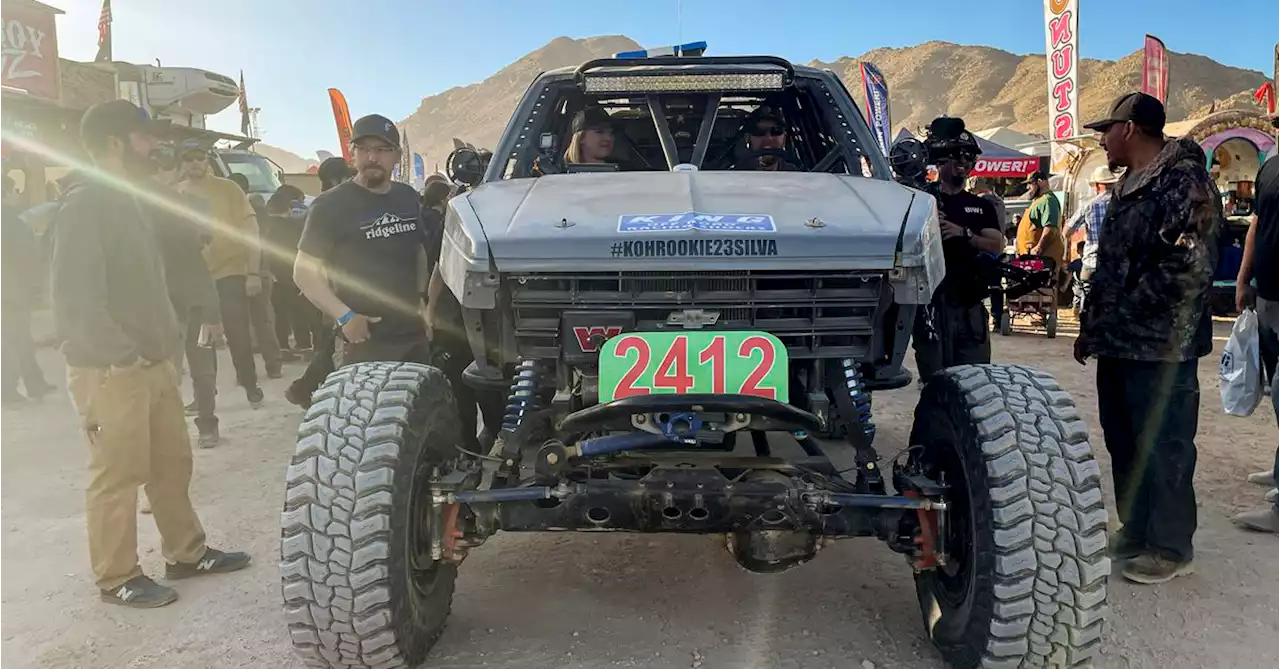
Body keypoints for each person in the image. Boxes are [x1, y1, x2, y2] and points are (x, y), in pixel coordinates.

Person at [48, 100, 250, 608]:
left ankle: (186, 553)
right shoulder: (85, 203)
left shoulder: (128, 198)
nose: (155, 146)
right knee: (117, 474)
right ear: (116, 142)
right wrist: (119, 354)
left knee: (169, 465)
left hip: (151, 361)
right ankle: (117, 577)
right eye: (144, 137)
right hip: (111, 367)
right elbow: (74, 297)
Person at [1075, 92, 1222, 585]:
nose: (1102, 139)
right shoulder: (1127, 185)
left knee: (1165, 445)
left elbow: (1189, 269)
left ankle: (1170, 545)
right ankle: (1136, 529)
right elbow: (1111, 266)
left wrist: (1127, 309)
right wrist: (1095, 322)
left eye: (1106, 130)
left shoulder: (1186, 183)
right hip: (1119, 342)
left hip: (1161, 346)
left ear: (1131, 129)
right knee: (1124, 442)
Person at [294, 114, 430, 367]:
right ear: (351, 152)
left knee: (417, 403)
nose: (372, 158)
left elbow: (418, 250)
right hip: (362, 339)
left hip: (413, 334)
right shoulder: (329, 205)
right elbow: (303, 273)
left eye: (382, 149)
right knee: (362, 407)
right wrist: (345, 317)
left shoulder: (408, 196)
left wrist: (422, 298)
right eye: (364, 149)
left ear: (397, 155)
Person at [177, 141, 277, 405]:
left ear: (207, 161)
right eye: (188, 159)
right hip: (196, 279)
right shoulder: (176, 194)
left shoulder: (228, 189)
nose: (194, 163)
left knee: (238, 334)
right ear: (181, 163)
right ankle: (204, 397)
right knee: (201, 342)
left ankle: (250, 385)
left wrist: (253, 272)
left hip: (231, 274)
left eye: (199, 158)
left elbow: (250, 231)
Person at [911, 117, 1006, 382]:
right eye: (957, 158)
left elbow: (996, 244)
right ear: (942, 162)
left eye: (968, 159)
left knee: (974, 383)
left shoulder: (983, 206)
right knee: (935, 384)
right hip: (932, 308)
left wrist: (963, 233)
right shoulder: (922, 200)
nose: (964, 164)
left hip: (969, 307)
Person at [1234, 151, 1280, 534]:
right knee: (1276, 391)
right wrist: (1243, 276)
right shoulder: (1271, 166)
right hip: (1269, 297)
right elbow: (1257, 224)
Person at [284, 158, 355, 407]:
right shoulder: (326, 208)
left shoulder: (330, 204)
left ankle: (304, 389)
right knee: (331, 344)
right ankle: (306, 390)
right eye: (346, 176)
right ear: (335, 180)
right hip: (326, 288)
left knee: (327, 343)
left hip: (327, 288)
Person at [0, 174, 54, 404]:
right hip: (12, 290)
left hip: (9, 289)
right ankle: (9, 390)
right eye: (14, 190)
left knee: (19, 338)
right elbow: (27, 253)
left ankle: (33, 382)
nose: (16, 195)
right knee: (13, 339)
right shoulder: (11, 220)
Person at [262, 185, 313, 353]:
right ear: (289, 207)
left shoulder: (264, 226)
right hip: (294, 274)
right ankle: (304, 344)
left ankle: (282, 346)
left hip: (275, 276)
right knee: (299, 311)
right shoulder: (296, 227)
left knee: (280, 313)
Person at [969, 177, 1009, 330]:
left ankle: (978, 317)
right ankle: (997, 318)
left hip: (982, 248)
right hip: (998, 248)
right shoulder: (1000, 202)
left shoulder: (979, 202)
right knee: (996, 285)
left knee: (976, 284)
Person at [1016, 171, 1065, 271]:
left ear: (1040, 182)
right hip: (1034, 261)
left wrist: (1039, 247)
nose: (1027, 188)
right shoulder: (1039, 201)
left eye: (1030, 184)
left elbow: (1050, 229)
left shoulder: (1047, 200)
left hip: (1043, 261)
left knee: (1041, 287)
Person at [734, 106, 801, 171]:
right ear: (747, 138)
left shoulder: (798, 176)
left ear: (784, 138)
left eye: (776, 131)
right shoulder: (733, 176)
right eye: (759, 132)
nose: (768, 138)